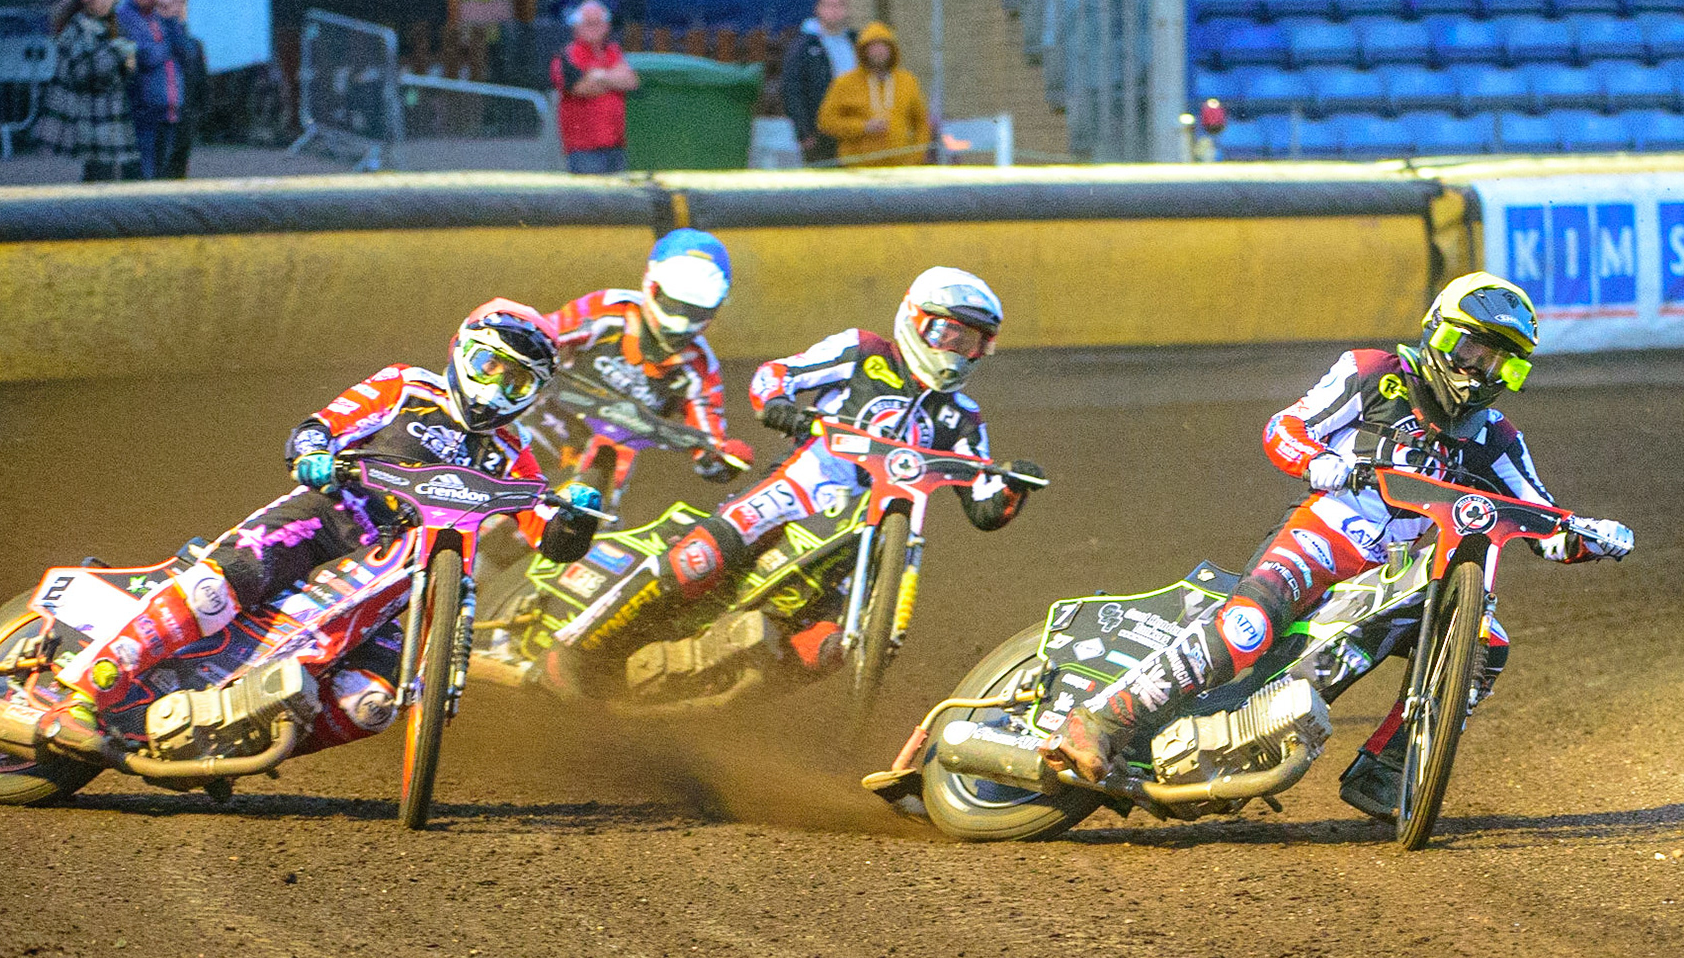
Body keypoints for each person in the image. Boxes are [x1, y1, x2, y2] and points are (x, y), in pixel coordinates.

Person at [1047, 273, 1633, 821]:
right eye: (1470, 351)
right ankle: (1102, 721)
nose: (1480, 372)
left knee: (1486, 643)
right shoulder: (1374, 372)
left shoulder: (1495, 437)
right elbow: (1284, 429)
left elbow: (1542, 519)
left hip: (1402, 573)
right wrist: (1322, 464)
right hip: (1328, 532)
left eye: (1500, 365)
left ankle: (1390, 769)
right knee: (1247, 627)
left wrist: (1591, 535)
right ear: (1438, 334)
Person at [52, 301, 603, 730]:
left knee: (370, 702)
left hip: (404, 578)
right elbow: (321, 425)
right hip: (331, 516)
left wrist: (575, 519)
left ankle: (239, 733)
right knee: (220, 587)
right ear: (462, 351)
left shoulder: (512, 449)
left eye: (517, 381)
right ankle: (90, 686)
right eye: (489, 367)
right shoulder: (408, 386)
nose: (496, 389)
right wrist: (314, 454)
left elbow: (546, 532)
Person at [564, 266, 1045, 670]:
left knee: (832, 648)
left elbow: (983, 507)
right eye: (948, 333)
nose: (958, 351)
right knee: (699, 558)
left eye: (974, 342)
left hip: (871, 537)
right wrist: (783, 409)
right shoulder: (863, 351)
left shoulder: (962, 416)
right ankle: (576, 650)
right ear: (914, 319)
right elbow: (774, 376)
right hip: (803, 486)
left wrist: (1012, 488)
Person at [545, 227, 754, 493]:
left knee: (602, 501)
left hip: (607, 462)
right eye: (673, 303)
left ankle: (596, 529)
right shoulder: (607, 310)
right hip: (546, 420)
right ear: (651, 285)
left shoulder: (700, 368)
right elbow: (539, 333)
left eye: (695, 310)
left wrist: (723, 459)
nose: (680, 321)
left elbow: (709, 438)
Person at [32, 0, 141, 182]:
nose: (106, 2)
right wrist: (118, 55)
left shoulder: (107, 27)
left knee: (104, 175)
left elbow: (111, 71)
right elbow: (83, 72)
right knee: (98, 177)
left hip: (107, 114)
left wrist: (127, 64)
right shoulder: (76, 29)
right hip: (89, 116)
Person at [816, 21, 929, 167]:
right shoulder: (845, 83)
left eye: (883, 46)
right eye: (872, 47)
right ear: (862, 51)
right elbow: (826, 121)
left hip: (901, 169)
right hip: (858, 168)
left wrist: (915, 158)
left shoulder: (907, 81)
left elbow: (921, 123)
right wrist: (863, 127)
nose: (878, 51)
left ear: (892, 49)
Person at [115, 0, 185, 180]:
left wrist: (173, 22)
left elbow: (184, 51)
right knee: (144, 177)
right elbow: (146, 56)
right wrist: (168, 43)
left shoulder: (161, 16)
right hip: (142, 113)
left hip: (169, 112)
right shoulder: (125, 17)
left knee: (165, 176)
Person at [551, 0, 638, 175]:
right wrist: (613, 79)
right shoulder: (568, 55)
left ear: (607, 26)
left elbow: (631, 81)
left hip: (616, 145)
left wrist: (599, 76)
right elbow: (580, 88)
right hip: (584, 149)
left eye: (598, 23)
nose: (594, 28)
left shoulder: (613, 51)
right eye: (588, 23)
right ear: (576, 26)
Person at [782, 0, 858, 166]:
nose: (834, 10)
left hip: (855, 128)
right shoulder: (804, 46)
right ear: (818, 9)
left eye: (840, 5)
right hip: (819, 132)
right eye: (829, 5)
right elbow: (793, 91)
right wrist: (803, 131)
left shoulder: (856, 42)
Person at [155, 0, 207, 180]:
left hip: (186, 118)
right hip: (163, 118)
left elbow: (201, 82)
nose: (179, 7)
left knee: (179, 170)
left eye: (182, 2)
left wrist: (197, 114)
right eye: (173, 2)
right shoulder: (159, 40)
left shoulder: (194, 44)